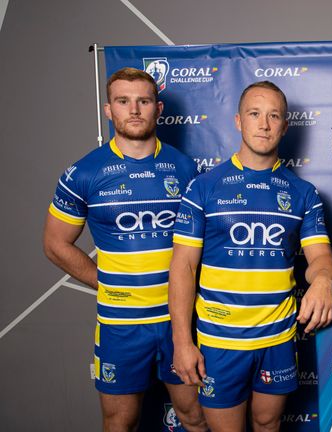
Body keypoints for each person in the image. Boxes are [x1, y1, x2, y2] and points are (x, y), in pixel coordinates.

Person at [42, 67, 206, 432]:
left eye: (143, 101)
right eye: (123, 101)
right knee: (120, 422)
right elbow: (55, 244)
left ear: (158, 109)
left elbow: (200, 245)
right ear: (108, 110)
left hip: (177, 321)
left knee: (195, 416)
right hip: (120, 325)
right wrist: (105, 284)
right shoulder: (84, 172)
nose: (134, 110)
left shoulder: (184, 168)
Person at [168, 81, 332, 432]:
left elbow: (319, 257)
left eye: (274, 116)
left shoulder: (303, 193)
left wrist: (322, 280)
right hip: (219, 340)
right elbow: (183, 266)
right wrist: (182, 342)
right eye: (255, 114)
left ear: (285, 126)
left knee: (267, 423)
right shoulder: (204, 186)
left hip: (277, 337)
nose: (264, 124)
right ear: (237, 121)